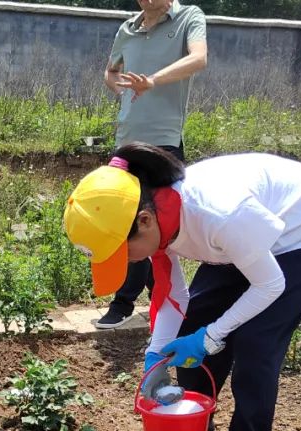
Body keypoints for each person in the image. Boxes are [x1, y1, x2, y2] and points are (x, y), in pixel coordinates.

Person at [64, 144, 301, 431]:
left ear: (146, 221)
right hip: (243, 239)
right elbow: (173, 294)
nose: (128, 261)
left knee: (255, 343)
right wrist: (157, 353)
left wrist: (212, 337)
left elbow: (269, 286)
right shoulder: (157, 211)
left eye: (123, 251)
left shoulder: (219, 215)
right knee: (196, 317)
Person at [96, 0, 207, 329]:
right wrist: (120, 88)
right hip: (126, 140)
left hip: (164, 142)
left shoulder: (189, 17)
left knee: (150, 223)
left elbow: (199, 58)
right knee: (126, 221)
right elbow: (110, 70)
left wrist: (153, 81)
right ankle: (164, 297)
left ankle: (124, 303)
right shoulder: (127, 28)